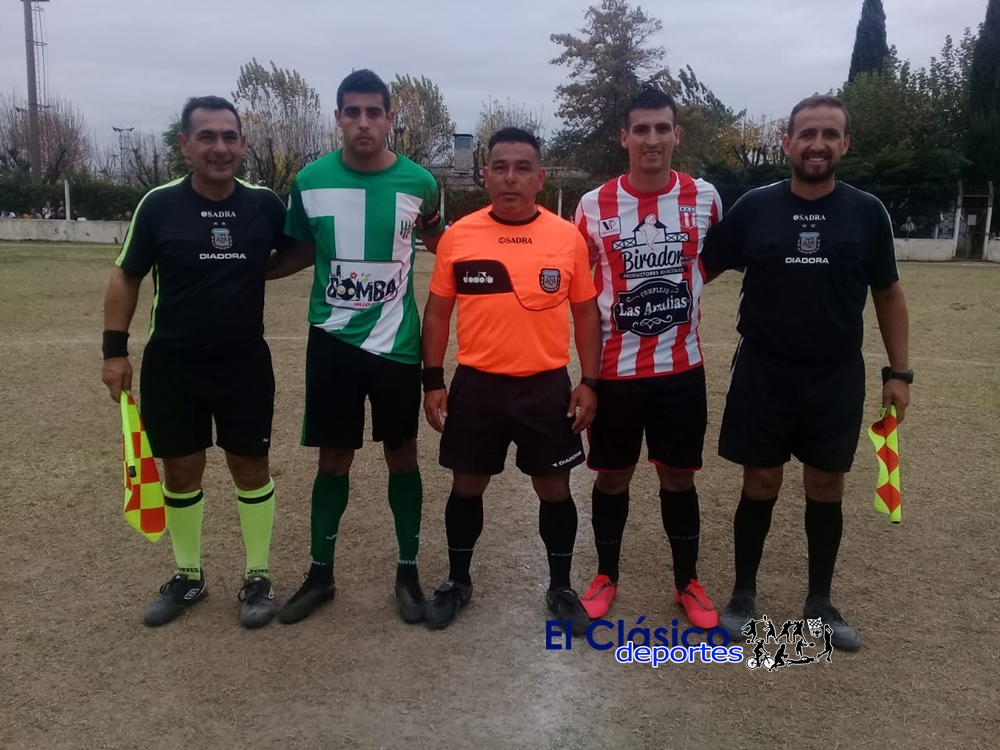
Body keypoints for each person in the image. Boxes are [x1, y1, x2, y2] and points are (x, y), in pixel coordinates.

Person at [701, 95, 911, 651]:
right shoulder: (754, 207)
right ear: (788, 142)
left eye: (830, 134)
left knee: (825, 484)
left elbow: (888, 292)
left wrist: (900, 373)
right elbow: (706, 266)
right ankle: (743, 594)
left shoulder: (867, 212)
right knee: (761, 481)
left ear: (845, 144)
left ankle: (820, 600)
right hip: (764, 369)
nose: (818, 143)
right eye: (807, 133)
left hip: (835, 375)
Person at [100, 95, 290, 629]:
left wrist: (255, 270)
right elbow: (126, 276)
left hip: (244, 363)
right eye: (206, 136)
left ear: (243, 145)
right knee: (180, 470)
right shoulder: (158, 205)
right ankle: (189, 575)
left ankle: (257, 575)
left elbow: (298, 250)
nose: (219, 147)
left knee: (249, 466)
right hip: (173, 365)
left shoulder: (264, 205)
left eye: (229, 136)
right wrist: (114, 352)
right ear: (185, 145)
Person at [268, 69, 445, 625]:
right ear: (338, 117)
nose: (363, 122)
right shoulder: (310, 180)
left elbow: (444, 245)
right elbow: (298, 251)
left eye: (374, 112)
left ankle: (408, 571)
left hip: (396, 344)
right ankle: (321, 573)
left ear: (391, 119)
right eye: (353, 112)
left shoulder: (421, 183)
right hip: (333, 342)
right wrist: (241, 274)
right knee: (334, 457)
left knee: (402, 454)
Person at [420, 127, 602, 634]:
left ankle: (561, 586)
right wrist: (433, 380)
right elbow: (437, 315)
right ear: (484, 175)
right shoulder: (459, 236)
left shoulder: (567, 237)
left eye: (523, 168)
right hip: (477, 384)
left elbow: (586, 315)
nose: (510, 177)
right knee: (467, 484)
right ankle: (458, 581)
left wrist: (590, 381)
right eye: (500, 167)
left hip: (545, 386)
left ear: (541, 178)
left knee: (554, 488)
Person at [573, 87, 722, 628]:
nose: (652, 139)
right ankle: (606, 575)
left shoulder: (705, 197)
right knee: (612, 478)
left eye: (663, 128)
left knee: (678, 479)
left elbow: (720, 256)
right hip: (615, 374)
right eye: (642, 129)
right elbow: (578, 290)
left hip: (681, 370)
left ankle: (688, 582)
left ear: (676, 134)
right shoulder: (591, 206)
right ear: (625, 137)